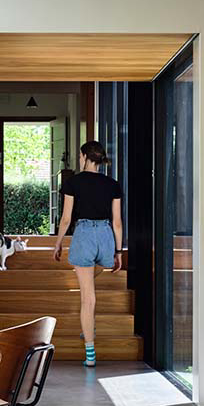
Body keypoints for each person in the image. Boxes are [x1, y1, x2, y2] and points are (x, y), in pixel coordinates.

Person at [52, 140, 123, 367]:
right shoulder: (112, 184)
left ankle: (90, 353)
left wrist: (58, 243)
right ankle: (88, 327)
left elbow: (66, 218)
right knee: (89, 287)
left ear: (84, 157)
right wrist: (118, 251)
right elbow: (118, 222)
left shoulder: (73, 183)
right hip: (105, 235)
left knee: (87, 298)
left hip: (83, 234)